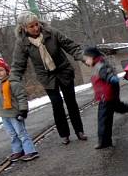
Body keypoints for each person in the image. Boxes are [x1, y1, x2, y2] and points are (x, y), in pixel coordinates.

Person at [10, 11, 87, 145]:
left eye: (36, 24)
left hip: (63, 71)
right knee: (57, 105)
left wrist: (83, 57)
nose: (35, 28)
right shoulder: (22, 43)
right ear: (23, 28)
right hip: (46, 76)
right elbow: (18, 64)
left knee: (71, 102)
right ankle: (64, 134)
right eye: (31, 26)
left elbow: (71, 46)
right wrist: (13, 80)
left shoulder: (51, 32)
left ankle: (79, 131)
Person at [0, 58, 39, 162]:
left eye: (1, 70)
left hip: (15, 113)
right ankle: (18, 151)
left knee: (21, 133)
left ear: (6, 70)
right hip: (3, 114)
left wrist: (23, 110)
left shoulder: (13, 83)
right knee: (12, 134)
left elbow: (21, 97)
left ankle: (30, 151)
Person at [83, 46, 128, 149]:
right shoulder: (98, 65)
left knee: (103, 120)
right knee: (120, 108)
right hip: (108, 97)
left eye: (87, 58)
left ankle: (104, 142)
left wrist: (112, 79)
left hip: (106, 98)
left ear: (93, 57)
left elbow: (108, 76)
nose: (86, 61)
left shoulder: (100, 66)